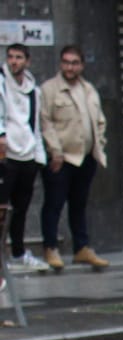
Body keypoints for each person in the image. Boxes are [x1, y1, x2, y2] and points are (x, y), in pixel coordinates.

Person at [39, 45, 108, 272]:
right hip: (61, 158)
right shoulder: (49, 90)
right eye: (66, 62)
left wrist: (99, 146)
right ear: (60, 64)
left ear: (81, 65)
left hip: (85, 157)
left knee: (79, 204)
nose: (70, 67)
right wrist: (54, 151)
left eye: (74, 63)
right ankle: (50, 247)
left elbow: (99, 120)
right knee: (54, 203)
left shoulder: (89, 90)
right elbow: (45, 122)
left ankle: (82, 247)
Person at [0, 43, 46, 272]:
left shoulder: (33, 91)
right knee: (2, 208)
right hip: (6, 156)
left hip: (27, 157)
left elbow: (36, 126)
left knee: (21, 209)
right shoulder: (2, 82)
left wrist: (39, 157)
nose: (13, 61)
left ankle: (18, 253)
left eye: (18, 57)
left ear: (27, 61)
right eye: (10, 57)